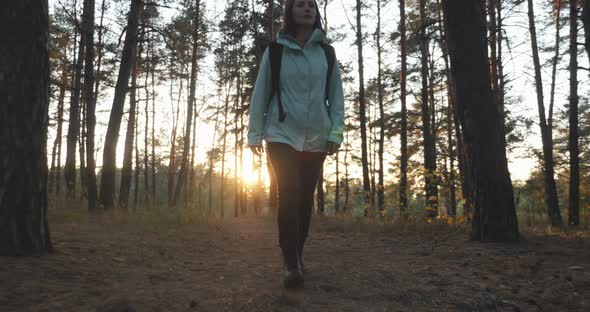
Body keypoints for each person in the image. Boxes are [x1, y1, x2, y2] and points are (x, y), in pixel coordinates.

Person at [247, 0, 345, 289]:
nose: (307, 9)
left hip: (316, 137)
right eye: (300, 5)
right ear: (289, 12)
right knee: (288, 192)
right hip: (281, 134)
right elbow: (261, 93)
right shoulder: (275, 51)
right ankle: (290, 261)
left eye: (311, 6)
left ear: (316, 15)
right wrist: (254, 134)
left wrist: (335, 134)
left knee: (304, 199)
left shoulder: (326, 53)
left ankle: (298, 252)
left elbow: (336, 97)